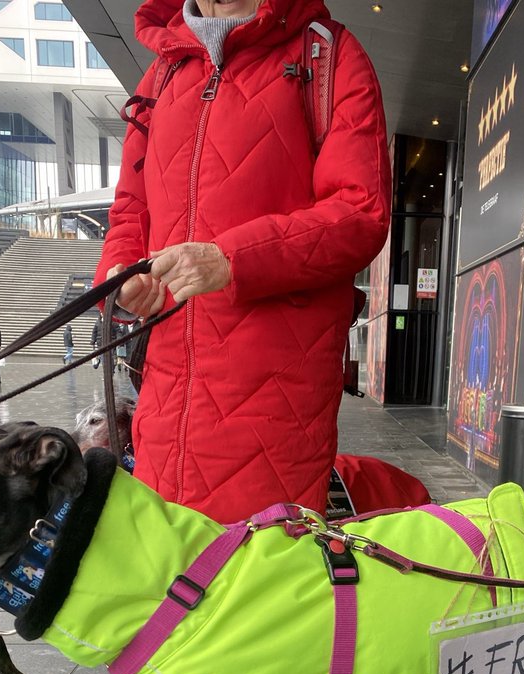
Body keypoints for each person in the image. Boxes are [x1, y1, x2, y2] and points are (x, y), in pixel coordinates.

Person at [95, 0, 390, 524]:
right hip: (165, 387)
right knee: (167, 575)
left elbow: (360, 212)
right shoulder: (163, 69)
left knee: (260, 580)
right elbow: (130, 207)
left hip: (275, 393)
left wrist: (233, 259)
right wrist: (121, 275)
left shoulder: (327, 54)